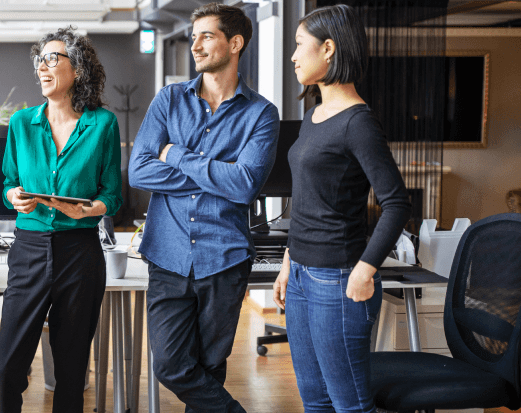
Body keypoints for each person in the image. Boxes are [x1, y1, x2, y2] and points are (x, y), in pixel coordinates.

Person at [128, 3, 279, 412]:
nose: (194, 45)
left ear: (235, 43)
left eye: (205, 36)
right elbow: (139, 172)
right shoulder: (169, 100)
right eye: (193, 36)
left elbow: (245, 185)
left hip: (224, 257)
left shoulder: (261, 114)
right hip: (168, 255)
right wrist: (217, 175)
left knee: (211, 368)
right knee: (172, 365)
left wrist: (176, 153)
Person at [274, 5, 411, 412]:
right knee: (314, 400)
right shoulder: (313, 116)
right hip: (300, 275)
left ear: (329, 48)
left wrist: (365, 269)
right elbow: (306, 201)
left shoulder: (358, 122)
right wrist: (287, 262)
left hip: (337, 279)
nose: (294, 56)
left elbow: (396, 202)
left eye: (300, 45)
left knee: (349, 404)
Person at [0, 27, 122, 412]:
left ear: (78, 68)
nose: (43, 67)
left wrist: (90, 209)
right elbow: (9, 183)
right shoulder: (21, 123)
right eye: (40, 60)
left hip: (79, 255)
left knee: (71, 371)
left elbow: (111, 195)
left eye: (53, 58)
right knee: (9, 367)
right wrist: (13, 197)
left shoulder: (103, 124)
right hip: (29, 250)